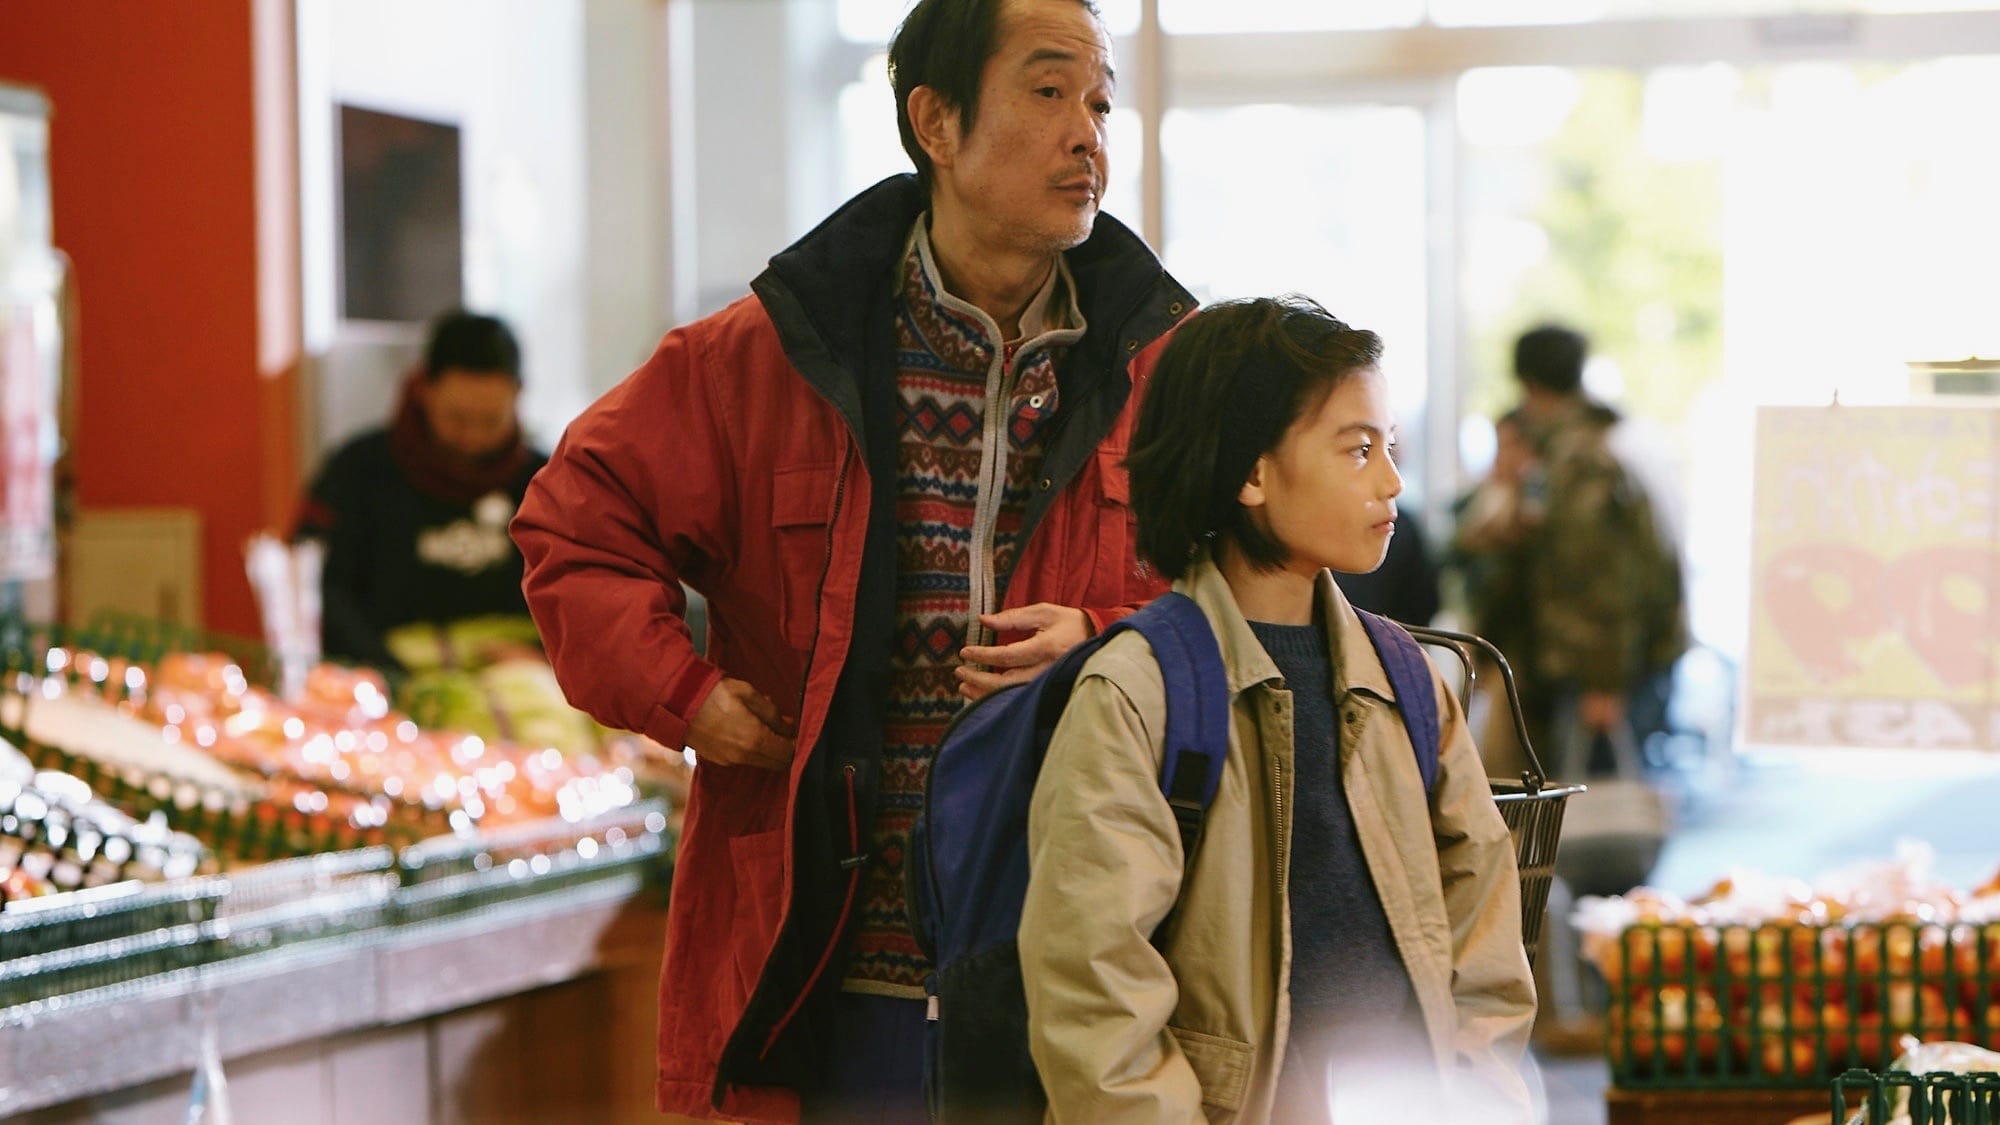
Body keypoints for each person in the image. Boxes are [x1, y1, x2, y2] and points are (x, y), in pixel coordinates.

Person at [509, 0, 1193, 1119]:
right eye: (1048, 92)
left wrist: (1112, 646)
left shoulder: (1170, 372)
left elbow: (1253, 613)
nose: (1088, 134)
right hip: (829, 977)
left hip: (1087, 973)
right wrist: (685, 694)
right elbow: (575, 524)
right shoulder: (768, 354)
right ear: (936, 121)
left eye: (1100, 102)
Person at [1018, 296, 1535, 1123]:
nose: (1392, 481)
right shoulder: (1138, 690)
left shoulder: (1405, 678)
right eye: (1358, 449)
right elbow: (1093, 991)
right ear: (1251, 473)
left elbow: (1485, 942)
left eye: (1389, 446)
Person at [294, 310, 545, 672]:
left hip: (522, 680)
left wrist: (543, 655)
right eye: (457, 419)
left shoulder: (545, 484)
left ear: (518, 395)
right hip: (380, 680)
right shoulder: (358, 471)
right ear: (424, 389)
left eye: (491, 421)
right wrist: (390, 673)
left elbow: (583, 593)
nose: (472, 438)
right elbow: (320, 587)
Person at [1504, 324, 1686, 777]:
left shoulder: (1579, 458)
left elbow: (1601, 573)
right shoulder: (1611, 437)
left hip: (1600, 668)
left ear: (1529, 383)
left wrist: (1604, 683)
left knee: (1599, 801)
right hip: (1627, 657)